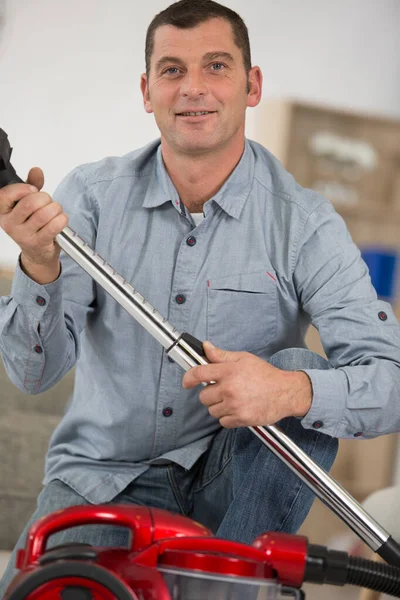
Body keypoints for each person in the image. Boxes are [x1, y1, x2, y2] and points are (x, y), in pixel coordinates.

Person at [0, 0, 399, 594]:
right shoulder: (89, 197)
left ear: (251, 84)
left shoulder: (306, 224)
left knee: (300, 372)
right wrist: (39, 265)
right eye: (171, 70)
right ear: (146, 90)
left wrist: (286, 391)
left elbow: (391, 381)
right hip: (98, 481)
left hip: (233, 490)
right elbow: (31, 375)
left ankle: (232, 587)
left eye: (215, 66)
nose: (193, 89)